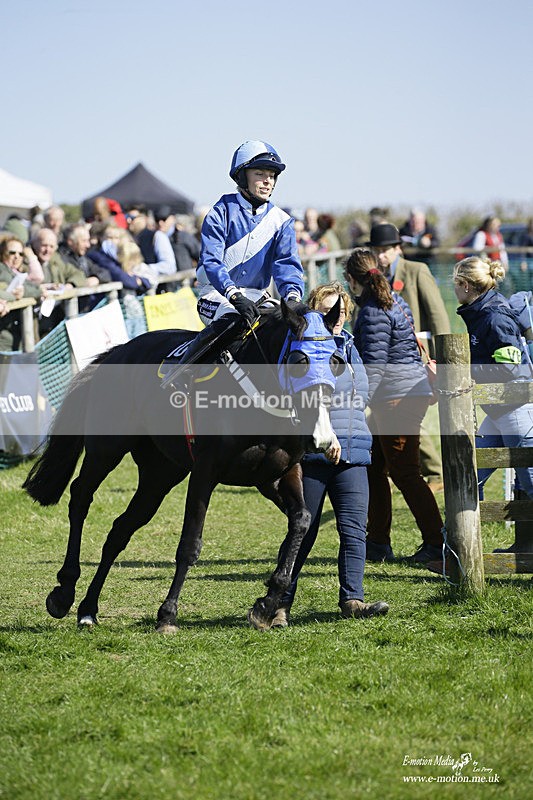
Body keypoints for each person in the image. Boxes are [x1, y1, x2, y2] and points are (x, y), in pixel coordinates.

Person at [272, 282, 389, 626]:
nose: (335, 317)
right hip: (314, 455)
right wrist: (325, 433)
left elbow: (362, 392)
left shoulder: (350, 346)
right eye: (326, 311)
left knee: (354, 530)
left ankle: (353, 599)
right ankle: (278, 604)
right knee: (302, 531)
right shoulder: (302, 351)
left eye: (340, 311)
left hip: (354, 451)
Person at [346, 246, 444, 565]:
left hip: (397, 398)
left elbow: (373, 367)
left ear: (352, 280)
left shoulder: (373, 311)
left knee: (405, 472)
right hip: (401, 393)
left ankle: (436, 542)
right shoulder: (392, 300)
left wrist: (355, 408)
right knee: (373, 465)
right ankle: (377, 541)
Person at [172, 140, 304, 373]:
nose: (267, 181)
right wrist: (233, 295)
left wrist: (292, 296)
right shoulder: (220, 212)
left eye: (272, 175)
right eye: (260, 173)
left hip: (259, 299)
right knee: (235, 320)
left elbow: (287, 265)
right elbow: (211, 261)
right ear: (242, 177)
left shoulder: (281, 221)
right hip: (215, 296)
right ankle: (181, 371)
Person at [367, 222, 450, 491]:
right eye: (377, 250)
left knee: (406, 419)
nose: (381, 255)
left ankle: (435, 472)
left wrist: (444, 358)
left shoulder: (417, 271)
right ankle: (389, 471)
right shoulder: (375, 278)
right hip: (387, 362)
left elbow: (437, 316)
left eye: (386, 250)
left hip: (416, 358)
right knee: (381, 420)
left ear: (398, 249)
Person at [454, 257, 533, 510]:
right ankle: (462, 544)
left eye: (455, 284)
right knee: (469, 471)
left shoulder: (494, 316)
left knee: (531, 485)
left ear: (465, 285)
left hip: (515, 409)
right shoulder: (480, 312)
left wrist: (466, 371)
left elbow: (510, 368)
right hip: (498, 410)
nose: (453, 290)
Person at [0, 236, 42, 350]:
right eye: (12, 253)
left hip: (18, 337)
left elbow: (37, 287)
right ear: (3, 253)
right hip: (5, 339)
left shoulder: (19, 272)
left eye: (20, 254)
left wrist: (25, 292)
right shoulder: (2, 270)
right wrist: (24, 292)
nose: (17, 257)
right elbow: (9, 288)